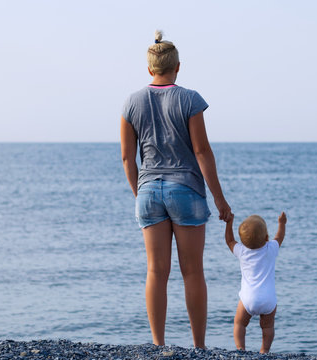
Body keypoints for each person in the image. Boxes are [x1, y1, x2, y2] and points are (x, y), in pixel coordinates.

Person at [120, 30, 232, 348]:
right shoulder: (190, 100)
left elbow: (128, 157)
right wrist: (220, 199)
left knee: (156, 271)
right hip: (186, 190)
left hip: (149, 191)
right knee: (192, 272)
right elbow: (202, 152)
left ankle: (158, 345)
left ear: (149, 69)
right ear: (178, 67)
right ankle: (198, 346)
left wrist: (137, 191)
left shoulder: (130, 102)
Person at [224, 212, 287, 353]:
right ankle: (264, 350)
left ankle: (241, 348)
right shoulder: (271, 249)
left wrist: (229, 224)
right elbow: (279, 237)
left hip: (248, 299)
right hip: (268, 299)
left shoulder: (241, 251)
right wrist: (282, 223)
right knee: (268, 327)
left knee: (240, 323)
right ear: (266, 237)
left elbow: (229, 240)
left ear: (243, 241)